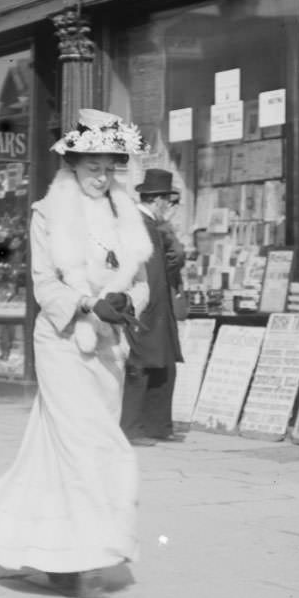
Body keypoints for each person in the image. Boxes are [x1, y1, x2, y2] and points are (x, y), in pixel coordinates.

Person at [0, 108, 153, 598]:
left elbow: (140, 283)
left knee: (60, 450)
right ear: (73, 167)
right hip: (62, 343)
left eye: (110, 167)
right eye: (92, 167)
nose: (102, 177)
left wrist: (127, 303)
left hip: (107, 348)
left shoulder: (128, 214)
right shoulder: (48, 213)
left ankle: (48, 548)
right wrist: (86, 302)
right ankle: (86, 561)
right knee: (92, 446)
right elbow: (43, 284)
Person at [121, 169, 186, 446]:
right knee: (141, 367)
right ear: (159, 201)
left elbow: (172, 260)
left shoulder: (149, 224)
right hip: (145, 306)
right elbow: (176, 257)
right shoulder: (141, 225)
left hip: (158, 306)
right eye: (169, 203)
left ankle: (157, 425)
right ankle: (132, 428)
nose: (170, 209)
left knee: (163, 365)